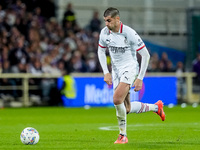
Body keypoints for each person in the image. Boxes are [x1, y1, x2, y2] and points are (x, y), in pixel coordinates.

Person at [97, 7, 165, 144]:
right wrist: (106, 72)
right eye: (105, 21)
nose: (106, 24)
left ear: (117, 19)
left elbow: (145, 55)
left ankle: (122, 136)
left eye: (109, 21)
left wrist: (140, 78)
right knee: (126, 109)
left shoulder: (129, 33)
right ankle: (157, 108)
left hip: (130, 68)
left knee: (116, 99)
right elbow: (101, 51)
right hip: (116, 71)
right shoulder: (104, 33)